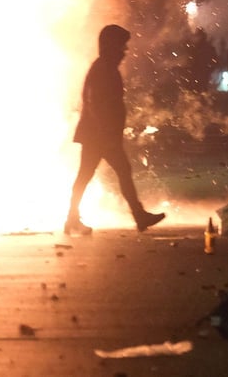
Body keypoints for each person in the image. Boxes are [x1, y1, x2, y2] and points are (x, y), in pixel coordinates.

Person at [66, 24, 166, 235]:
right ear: (111, 46)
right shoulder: (103, 69)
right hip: (100, 136)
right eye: (121, 46)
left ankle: (72, 220)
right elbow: (95, 103)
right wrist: (106, 133)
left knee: (88, 174)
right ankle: (139, 216)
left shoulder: (105, 68)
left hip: (98, 135)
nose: (125, 51)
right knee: (117, 171)